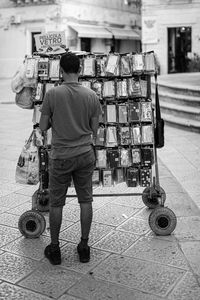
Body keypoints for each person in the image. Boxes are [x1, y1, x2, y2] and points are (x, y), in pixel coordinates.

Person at [39, 52, 102, 265]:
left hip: (61, 156)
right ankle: (84, 247)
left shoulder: (52, 94)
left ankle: (55, 249)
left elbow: (43, 126)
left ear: (60, 71)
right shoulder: (91, 95)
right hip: (85, 154)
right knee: (86, 200)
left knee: (56, 203)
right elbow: (95, 129)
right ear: (80, 70)